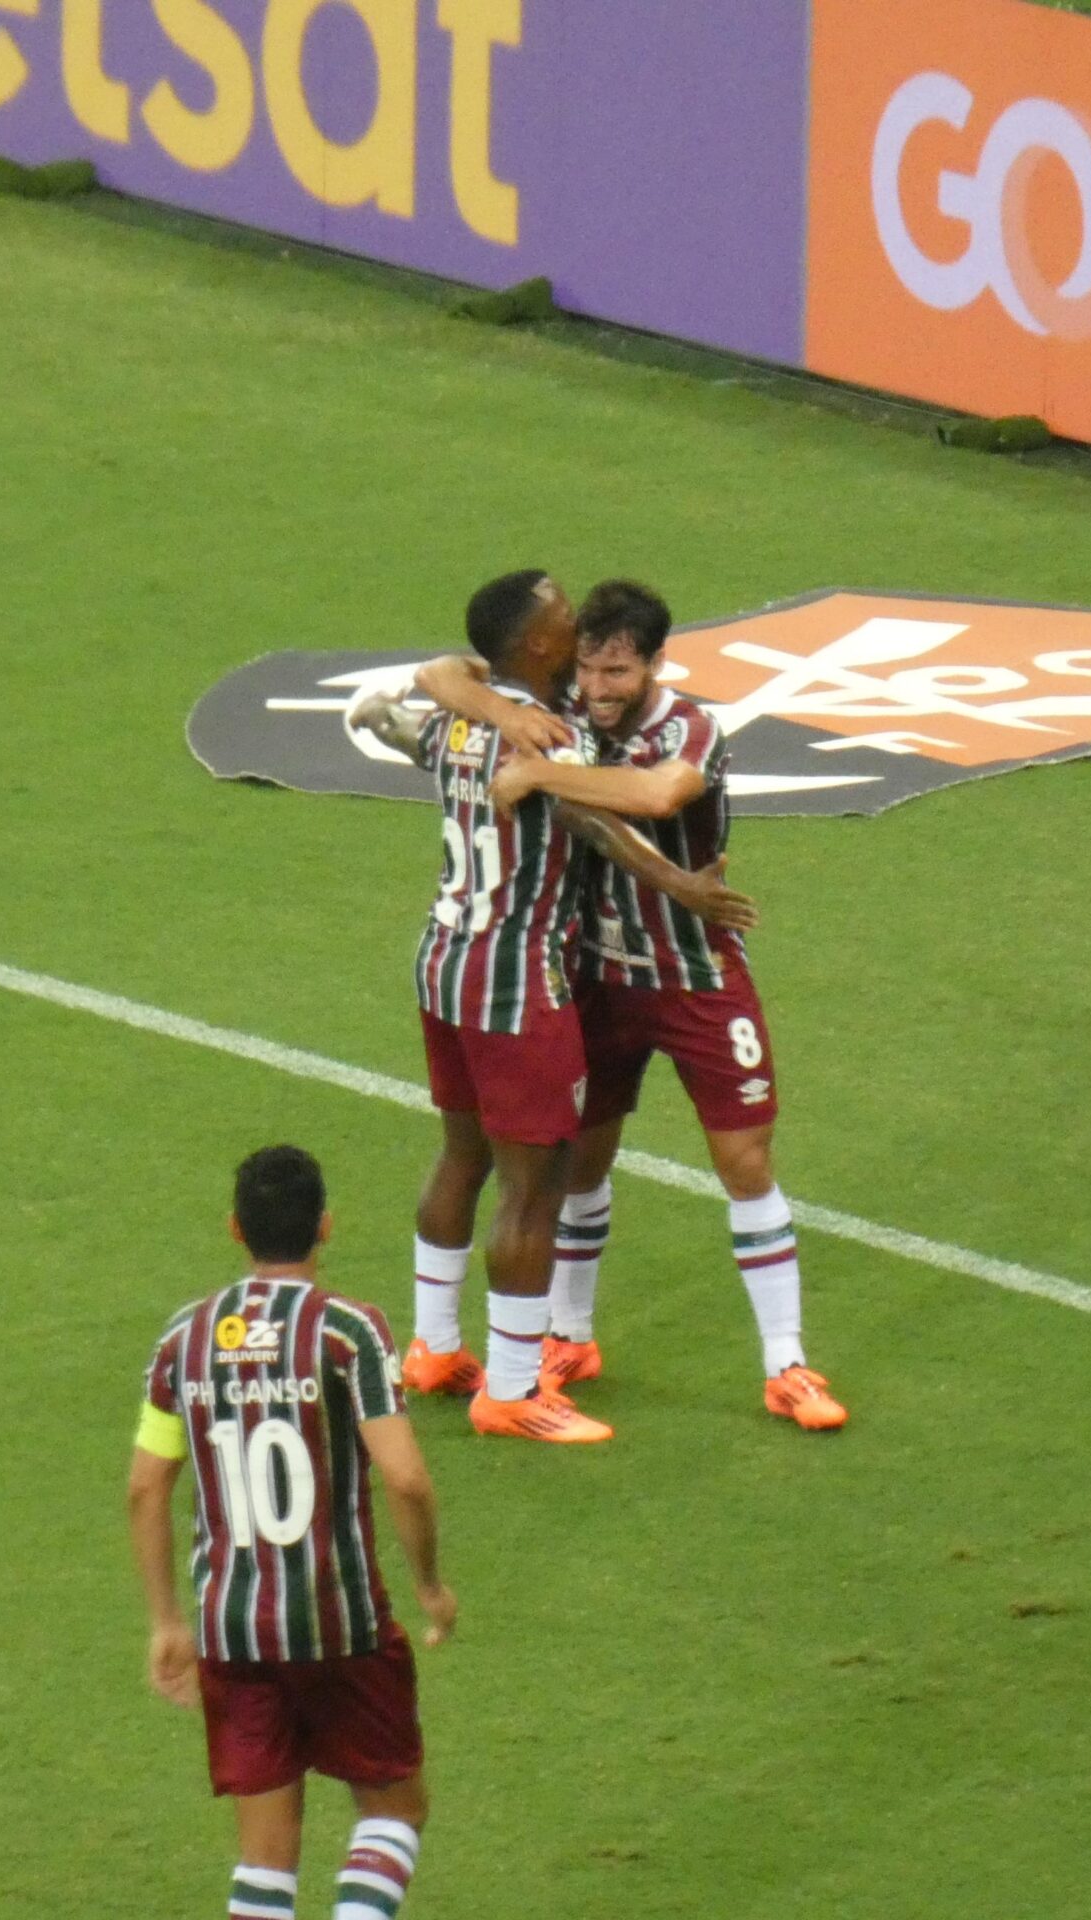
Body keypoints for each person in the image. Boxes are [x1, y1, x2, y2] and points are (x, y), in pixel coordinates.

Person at [350, 569, 756, 1444]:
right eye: (565, 617)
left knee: (461, 1156)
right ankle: (509, 1390)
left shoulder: (466, 715)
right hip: (518, 978)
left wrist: (463, 705)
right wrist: (680, 883)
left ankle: (431, 1346)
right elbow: (601, 824)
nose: (579, 626)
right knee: (533, 1188)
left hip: (443, 962)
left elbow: (421, 694)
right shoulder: (551, 732)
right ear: (538, 645)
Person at [448, 581, 847, 1432]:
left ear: (656, 663)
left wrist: (537, 771)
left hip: (696, 974)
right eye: (588, 666)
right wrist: (500, 710)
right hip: (595, 976)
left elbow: (662, 796)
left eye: (618, 671)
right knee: (577, 1165)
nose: (597, 686)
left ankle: (787, 1363)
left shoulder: (691, 728)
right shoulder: (561, 710)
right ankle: (570, 1336)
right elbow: (439, 675)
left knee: (745, 1163)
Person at [128, 1144, 458, 1920]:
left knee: (265, 1864)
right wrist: (430, 1585)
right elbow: (406, 1477)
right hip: (341, 1624)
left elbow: (146, 1485)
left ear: (236, 1229)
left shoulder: (183, 1338)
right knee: (394, 1811)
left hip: (232, 1632)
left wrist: (167, 1621)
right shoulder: (349, 1331)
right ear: (327, 1227)